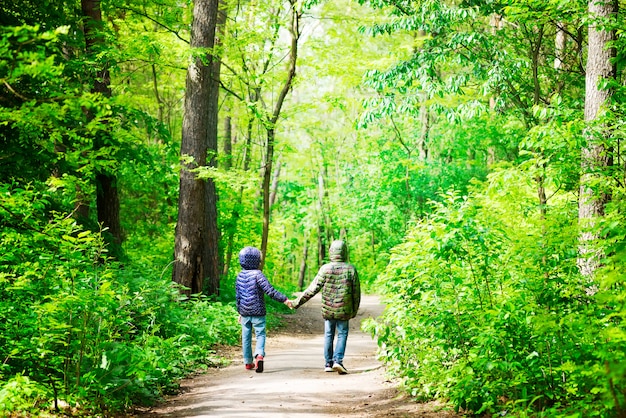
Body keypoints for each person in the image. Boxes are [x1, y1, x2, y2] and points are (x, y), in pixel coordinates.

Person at [292, 239, 361, 374]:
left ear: (331, 252)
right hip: (344, 310)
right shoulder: (350, 269)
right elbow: (356, 293)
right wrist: (354, 310)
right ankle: (338, 361)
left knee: (329, 334)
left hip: (328, 310)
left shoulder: (325, 268)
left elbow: (313, 289)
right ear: (345, 252)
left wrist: (296, 303)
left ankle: (328, 363)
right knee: (342, 334)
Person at [235, 246, 292, 373]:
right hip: (258, 312)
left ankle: (248, 362)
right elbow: (270, 291)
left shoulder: (239, 276)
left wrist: (239, 311)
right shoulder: (258, 275)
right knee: (260, 334)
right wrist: (284, 299)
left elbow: (238, 296)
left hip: (244, 312)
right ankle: (259, 355)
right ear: (256, 261)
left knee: (246, 337)